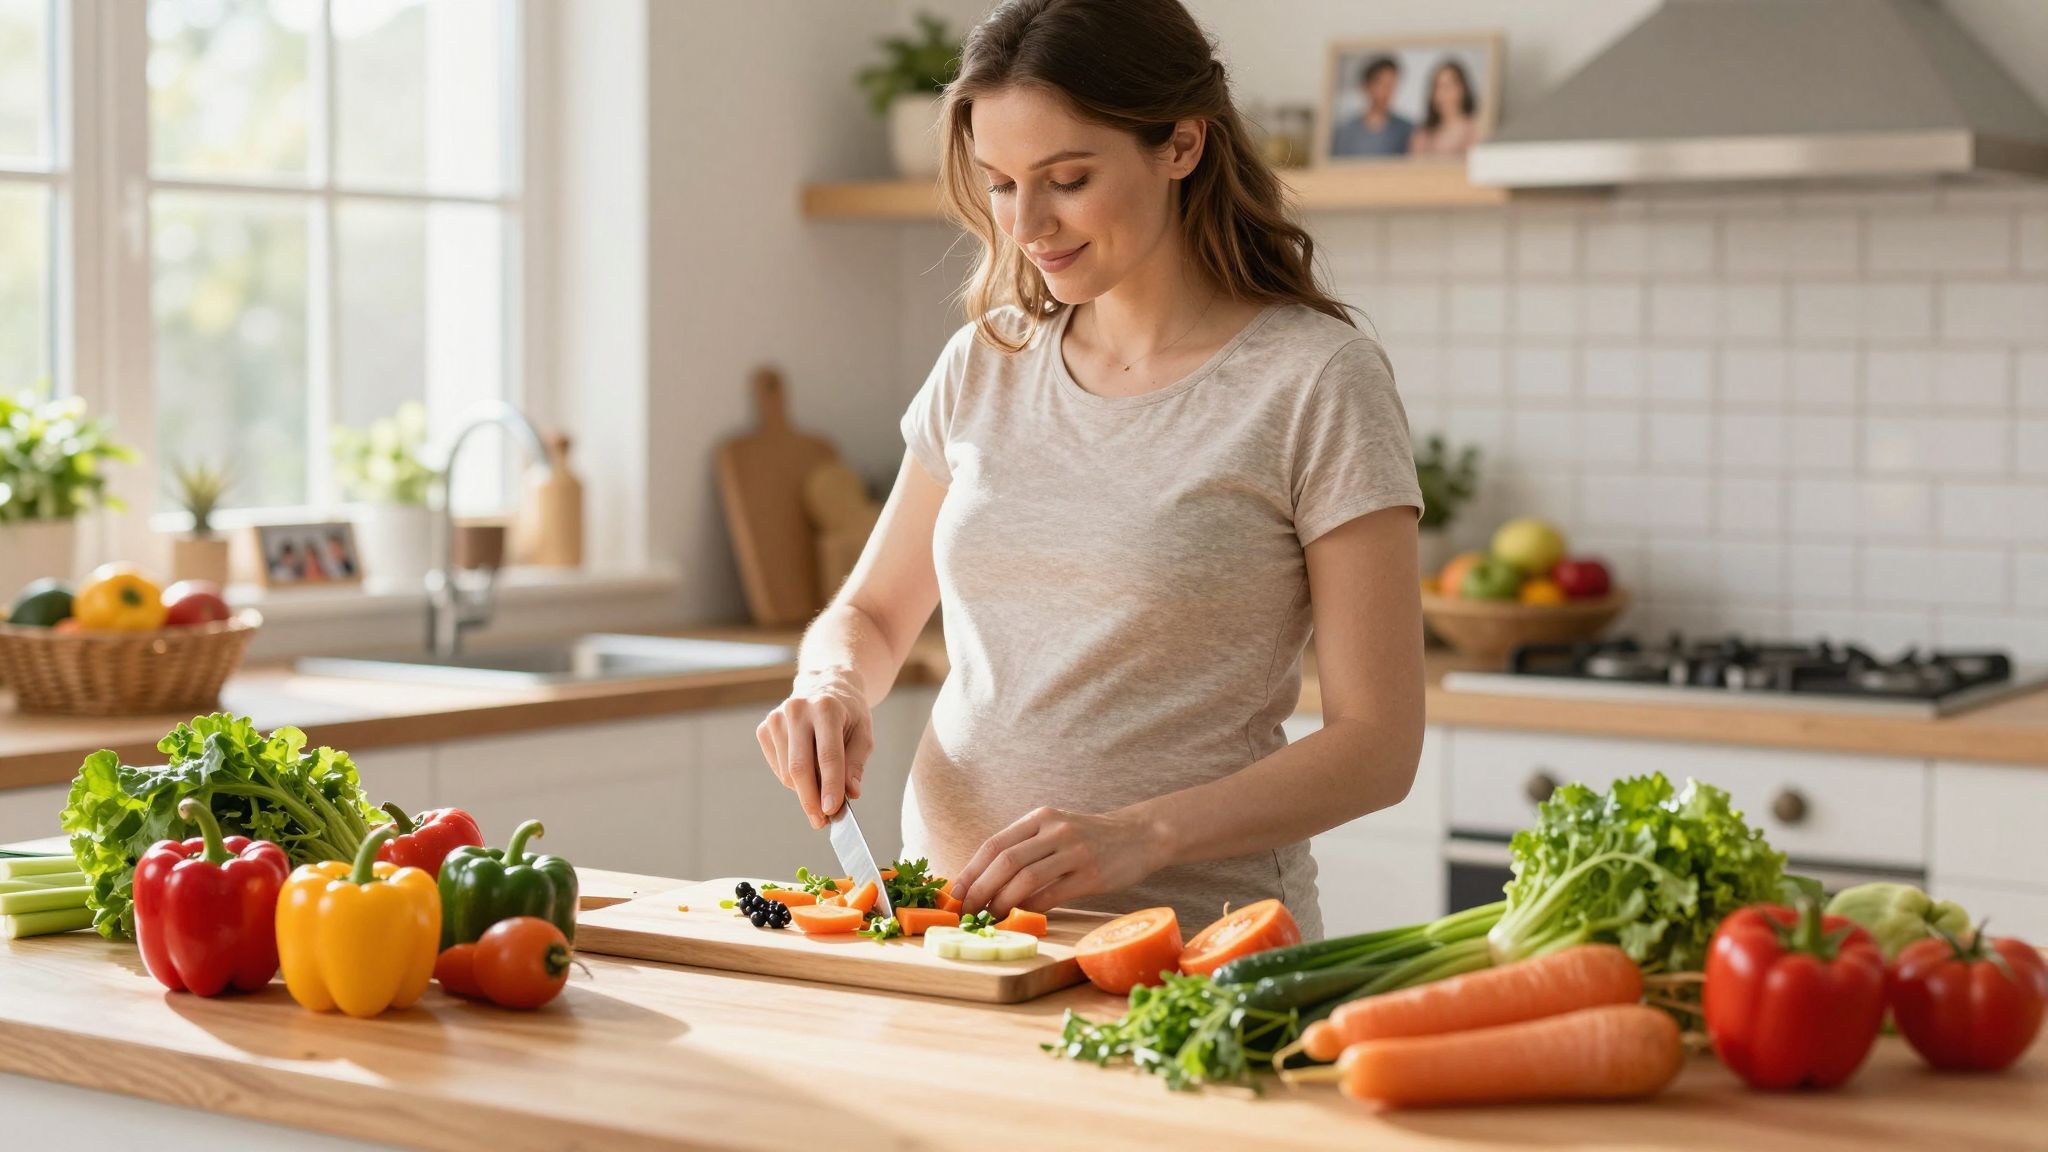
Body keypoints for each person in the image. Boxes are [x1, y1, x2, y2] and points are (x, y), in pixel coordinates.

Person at [755, 0, 1424, 939]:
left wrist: (1139, 835)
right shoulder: (986, 360)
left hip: (1187, 952)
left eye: (1066, 179)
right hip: (950, 935)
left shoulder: (1314, 379)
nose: (1027, 224)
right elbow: (867, 616)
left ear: (1181, 145)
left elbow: (1378, 747)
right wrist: (829, 685)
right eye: (999, 184)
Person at [1329, 55, 1411, 158]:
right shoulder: (1344, 132)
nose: (1387, 92)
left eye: (1392, 85)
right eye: (1382, 84)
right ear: (1366, 86)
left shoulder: (1407, 130)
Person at [1409, 58, 1481, 156]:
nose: (1441, 94)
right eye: (1437, 87)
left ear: (1461, 90)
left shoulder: (1472, 130)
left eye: (1447, 87)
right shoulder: (1422, 135)